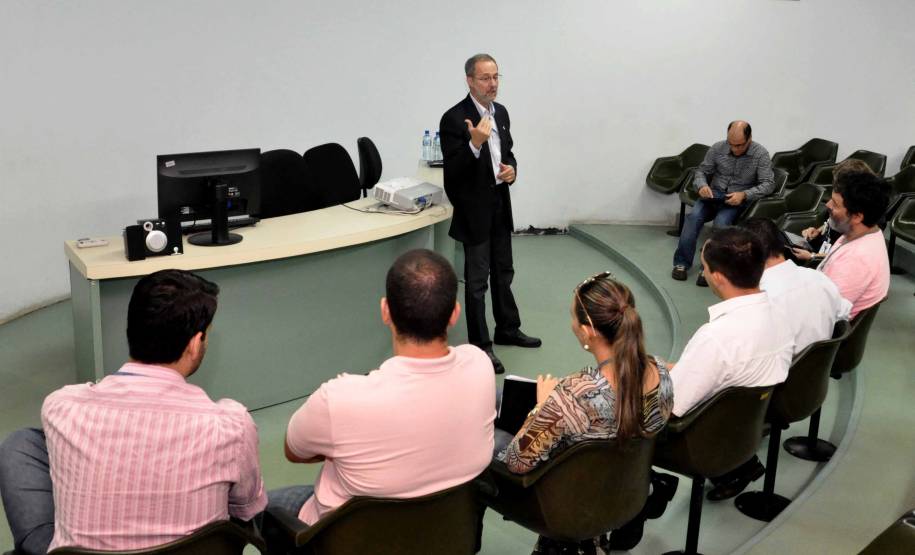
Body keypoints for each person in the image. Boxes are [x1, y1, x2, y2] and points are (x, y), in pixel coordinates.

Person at [0, 270, 267, 555]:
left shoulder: (61, 407)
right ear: (194, 343)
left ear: (133, 329)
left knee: (21, 444)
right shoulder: (232, 424)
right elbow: (245, 510)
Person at [272, 249, 495, 527]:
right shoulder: (480, 366)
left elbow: (294, 451)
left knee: (262, 507)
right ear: (454, 314)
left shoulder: (339, 400)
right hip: (444, 533)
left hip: (347, 539)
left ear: (385, 311)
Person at [494, 272, 673, 552]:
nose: (572, 325)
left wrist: (542, 405)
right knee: (499, 398)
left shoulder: (576, 394)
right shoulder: (660, 371)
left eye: (573, 318)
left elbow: (517, 462)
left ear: (588, 330)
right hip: (625, 485)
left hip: (566, 499)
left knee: (487, 436)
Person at [705, 218, 853, 501]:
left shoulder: (761, 299)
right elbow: (844, 315)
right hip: (811, 383)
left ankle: (734, 466)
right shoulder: (819, 279)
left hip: (774, 393)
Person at [658, 227, 794, 507]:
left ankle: (645, 496)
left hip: (699, 440)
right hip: (744, 428)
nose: (704, 273)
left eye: (705, 268)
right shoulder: (781, 315)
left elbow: (670, 408)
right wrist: (681, 368)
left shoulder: (716, 337)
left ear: (717, 278)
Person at [440, 53, 541, 375]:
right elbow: (453, 173)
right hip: (474, 209)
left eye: (496, 76)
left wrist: (512, 170)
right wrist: (474, 145)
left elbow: (507, 152)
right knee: (476, 281)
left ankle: (507, 329)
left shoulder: (503, 112)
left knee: (504, 270)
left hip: (499, 201)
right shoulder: (454, 118)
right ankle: (480, 346)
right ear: (470, 80)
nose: (492, 83)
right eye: (485, 77)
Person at [672, 121, 775, 286]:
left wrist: (744, 194)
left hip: (736, 198)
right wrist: (702, 185)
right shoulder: (717, 148)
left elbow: (768, 184)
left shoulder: (761, 154)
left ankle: (710, 269)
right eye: (731, 144)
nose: (734, 149)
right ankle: (681, 263)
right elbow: (701, 171)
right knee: (693, 218)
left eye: (739, 145)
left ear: (749, 139)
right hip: (713, 195)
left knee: (721, 225)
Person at [793, 171, 891, 318]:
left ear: (857, 216)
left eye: (835, 204)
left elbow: (822, 314)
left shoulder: (856, 260)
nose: (828, 205)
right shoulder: (859, 233)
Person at [798, 159, 875, 262]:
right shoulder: (840, 202)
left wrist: (813, 256)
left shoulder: (861, 219)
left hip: (827, 261)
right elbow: (829, 222)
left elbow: (846, 256)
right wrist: (817, 231)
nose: (828, 204)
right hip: (822, 251)